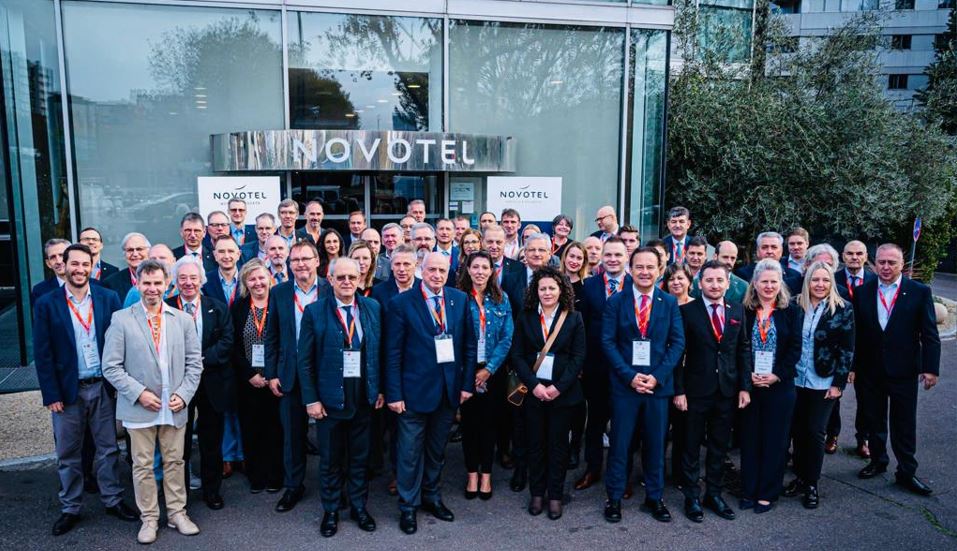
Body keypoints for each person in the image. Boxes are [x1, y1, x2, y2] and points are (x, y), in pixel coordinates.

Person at [33, 243, 137, 536]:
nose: (80, 269)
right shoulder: (47, 303)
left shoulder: (107, 297)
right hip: (67, 392)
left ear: (92, 267)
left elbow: (121, 342)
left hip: (102, 386)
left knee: (108, 449)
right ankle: (71, 507)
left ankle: (113, 500)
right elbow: (43, 353)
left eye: (85, 264)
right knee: (68, 453)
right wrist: (51, 394)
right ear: (64, 266)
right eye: (74, 264)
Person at [101, 259, 203, 544]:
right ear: (137, 283)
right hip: (139, 407)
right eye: (146, 283)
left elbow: (195, 364)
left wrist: (184, 395)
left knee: (175, 461)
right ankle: (148, 518)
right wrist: (139, 393)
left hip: (174, 405)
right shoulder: (122, 319)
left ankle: (177, 513)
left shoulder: (182, 320)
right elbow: (110, 366)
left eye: (158, 283)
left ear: (167, 284)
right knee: (143, 465)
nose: (152, 288)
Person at [385, 252, 476, 535]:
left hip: (448, 392)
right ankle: (408, 506)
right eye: (431, 270)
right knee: (409, 453)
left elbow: (469, 346)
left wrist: (466, 385)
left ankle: (432, 497)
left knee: (436, 452)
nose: (437, 275)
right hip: (412, 392)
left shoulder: (459, 299)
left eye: (442, 270)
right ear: (420, 271)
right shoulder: (401, 303)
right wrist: (394, 394)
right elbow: (392, 353)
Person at [298, 257, 383, 537]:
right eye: (341, 277)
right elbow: (305, 361)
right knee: (331, 461)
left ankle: (359, 507)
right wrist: (311, 399)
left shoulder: (372, 307)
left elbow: (379, 353)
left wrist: (379, 389)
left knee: (360, 459)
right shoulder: (314, 312)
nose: (347, 282)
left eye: (352, 277)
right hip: (329, 402)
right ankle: (331, 510)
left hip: (363, 399)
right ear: (330, 279)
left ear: (360, 279)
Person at [602, 247, 685, 524]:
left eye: (650, 267)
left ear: (659, 270)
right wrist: (629, 376)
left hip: (657, 388)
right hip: (625, 387)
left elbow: (677, 343)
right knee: (620, 444)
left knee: (656, 445)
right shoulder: (616, 301)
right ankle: (614, 498)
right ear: (630, 269)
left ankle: (655, 497)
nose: (645, 272)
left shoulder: (668, 302)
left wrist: (657, 376)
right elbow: (608, 342)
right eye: (639, 266)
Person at [852, 243, 939, 496]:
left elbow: (930, 334)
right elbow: (856, 334)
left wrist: (931, 368)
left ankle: (906, 472)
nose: (886, 267)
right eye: (881, 262)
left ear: (902, 264)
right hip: (870, 370)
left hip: (904, 370)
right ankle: (878, 461)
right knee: (874, 419)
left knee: (904, 423)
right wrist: (852, 367)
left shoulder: (919, 292)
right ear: (874, 264)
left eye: (892, 262)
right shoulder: (863, 292)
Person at [673, 260, 751, 523]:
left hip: (726, 391)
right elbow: (678, 354)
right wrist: (679, 391)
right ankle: (692, 497)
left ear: (728, 283)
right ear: (700, 283)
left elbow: (743, 349)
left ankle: (714, 494)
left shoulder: (737, 310)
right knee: (691, 446)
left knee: (719, 447)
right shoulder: (687, 311)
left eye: (720, 280)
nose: (715, 285)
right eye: (709, 280)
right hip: (695, 391)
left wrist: (744, 387)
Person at [511, 266, 584, 520]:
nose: (547, 292)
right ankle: (536, 493)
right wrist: (535, 385)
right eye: (542, 288)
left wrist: (558, 387)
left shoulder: (574, 318)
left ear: (561, 290)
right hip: (534, 392)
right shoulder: (526, 316)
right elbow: (517, 355)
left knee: (558, 446)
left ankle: (555, 495)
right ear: (536, 290)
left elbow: (578, 357)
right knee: (535, 445)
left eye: (552, 287)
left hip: (562, 394)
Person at [783, 261, 854, 509]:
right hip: (794, 378)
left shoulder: (842, 308)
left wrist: (838, 384)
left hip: (823, 381)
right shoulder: (794, 304)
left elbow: (847, 349)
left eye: (825, 280)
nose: (820, 284)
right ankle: (800, 477)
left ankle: (811, 483)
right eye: (815, 279)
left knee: (814, 432)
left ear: (831, 282)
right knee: (797, 430)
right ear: (807, 281)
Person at [264, 240, 328, 512]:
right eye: (295, 260)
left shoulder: (330, 288)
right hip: (289, 375)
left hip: (323, 374)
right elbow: (272, 335)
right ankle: (293, 486)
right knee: (292, 435)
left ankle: (331, 486)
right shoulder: (279, 292)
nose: (300, 264)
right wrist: (271, 373)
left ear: (317, 261)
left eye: (306, 259)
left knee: (328, 435)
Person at [166, 257, 234, 510]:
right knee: (179, 443)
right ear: (175, 281)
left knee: (211, 441)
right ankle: (179, 495)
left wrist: (200, 360)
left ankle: (211, 491)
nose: (188, 283)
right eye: (182, 278)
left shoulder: (216, 307)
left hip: (211, 382)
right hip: (178, 384)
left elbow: (227, 341)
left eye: (193, 278)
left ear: (201, 280)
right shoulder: (166, 308)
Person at [739, 259, 802, 513]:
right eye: (764, 281)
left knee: (775, 441)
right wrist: (748, 375)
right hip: (750, 386)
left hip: (780, 386)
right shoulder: (744, 310)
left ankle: (767, 493)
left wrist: (776, 375)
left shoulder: (791, 311)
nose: (768, 286)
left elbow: (795, 349)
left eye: (773, 282)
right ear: (754, 283)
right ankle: (748, 490)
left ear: (780, 283)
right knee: (750, 440)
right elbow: (738, 347)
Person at [456, 251, 514, 501]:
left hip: (493, 371)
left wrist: (489, 369)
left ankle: (486, 474)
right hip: (466, 370)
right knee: (469, 424)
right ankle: (472, 473)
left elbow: (507, 338)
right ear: (468, 270)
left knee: (490, 423)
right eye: (475, 267)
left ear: (492, 271)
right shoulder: (458, 298)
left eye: (485, 267)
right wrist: (470, 370)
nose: (480, 271)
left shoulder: (502, 298)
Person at [576, 237, 631, 492]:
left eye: (618, 255)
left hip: (627, 368)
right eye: (608, 255)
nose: (613, 259)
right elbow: (582, 327)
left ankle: (622, 475)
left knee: (624, 424)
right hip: (596, 367)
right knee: (595, 422)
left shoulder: (636, 284)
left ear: (626, 257)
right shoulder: (589, 286)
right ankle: (593, 469)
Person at [501, 232, 553, 492]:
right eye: (531, 250)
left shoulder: (557, 280)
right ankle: (520, 469)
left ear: (549, 253)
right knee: (519, 421)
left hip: (550, 361)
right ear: (524, 252)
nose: (536, 254)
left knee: (545, 421)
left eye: (541, 250)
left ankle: (541, 472)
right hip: (520, 359)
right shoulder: (511, 279)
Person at [231, 260, 283, 494]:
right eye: (252, 279)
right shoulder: (239, 307)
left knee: (276, 429)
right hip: (248, 381)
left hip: (275, 380)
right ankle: (256, 475)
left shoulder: (279, 304)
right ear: (245, 282)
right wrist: (250, 374)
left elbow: (285, 341)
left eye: (261, 277)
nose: (257, 282)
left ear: (269, 279)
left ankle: (275, 475)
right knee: (251, 429)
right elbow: (233, 346)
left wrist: (273, 374)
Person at [827, 239, 876, 457]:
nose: (854, 257)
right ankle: (832, 434)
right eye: (850, 253)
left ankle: (863, 438)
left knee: (866, 397)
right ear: (842, 256)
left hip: (866, 349)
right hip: (837, 347)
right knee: (832, 396)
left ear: (865, 257)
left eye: (859, 253)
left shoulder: (875, 281)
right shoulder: (832, 279)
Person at [734, 232, 803, 296]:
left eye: (774, 247)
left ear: (781, 251)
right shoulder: (743, 275)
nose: (769, 251)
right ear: (757, 251)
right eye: (764, 247)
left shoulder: (794, 276)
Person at [103, 232, 151, 301]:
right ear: (124, 254)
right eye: (130, 250)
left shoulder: (161, 278)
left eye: (139, 249)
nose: (135, 254)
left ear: (149, 252)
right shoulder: (111, 283)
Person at [31, 238, 71, 308]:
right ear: (48, 263)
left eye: (61, 255)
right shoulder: (40, 291)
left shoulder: (89, 285)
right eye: (53, 257)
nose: (58, 261)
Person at [203, 235, 242, 307]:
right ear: (215, 255)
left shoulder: (248, 279)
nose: (226, 256)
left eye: (230, 251)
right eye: (221, 251)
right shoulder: (205, 281)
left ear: (238, 254)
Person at [560, 241, 589, 309]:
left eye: (579, 258)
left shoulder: (587, 285)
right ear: (565, 257)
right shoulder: (554, 281)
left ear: (583, 262)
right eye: (572, 256)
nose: (574, 261)